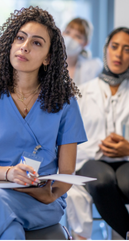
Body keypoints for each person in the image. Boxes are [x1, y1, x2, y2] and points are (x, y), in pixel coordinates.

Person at [0, 6, 87, 239]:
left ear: (49, 57)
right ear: (10, 44)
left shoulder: (65, 103)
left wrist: (50, 194)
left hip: (40, 202)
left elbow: (67, 171)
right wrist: (10, 174)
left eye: (37, 43)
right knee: (8, 227)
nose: (25, 46)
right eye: (20, 38)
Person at [66, 27, 129, 240]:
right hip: (90, 159)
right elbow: (70, 138)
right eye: (115, 47)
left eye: (127, 49)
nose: (119, 54)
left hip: (126, 161)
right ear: (105, 50)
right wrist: (102, 147)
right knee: (101, 181)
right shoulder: (82, 93)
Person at [62, 18, 102, 86]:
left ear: (85, 43)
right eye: (67, 32)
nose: (70, 38)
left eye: (77, 36)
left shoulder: (94, 67)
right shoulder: (47, 62)